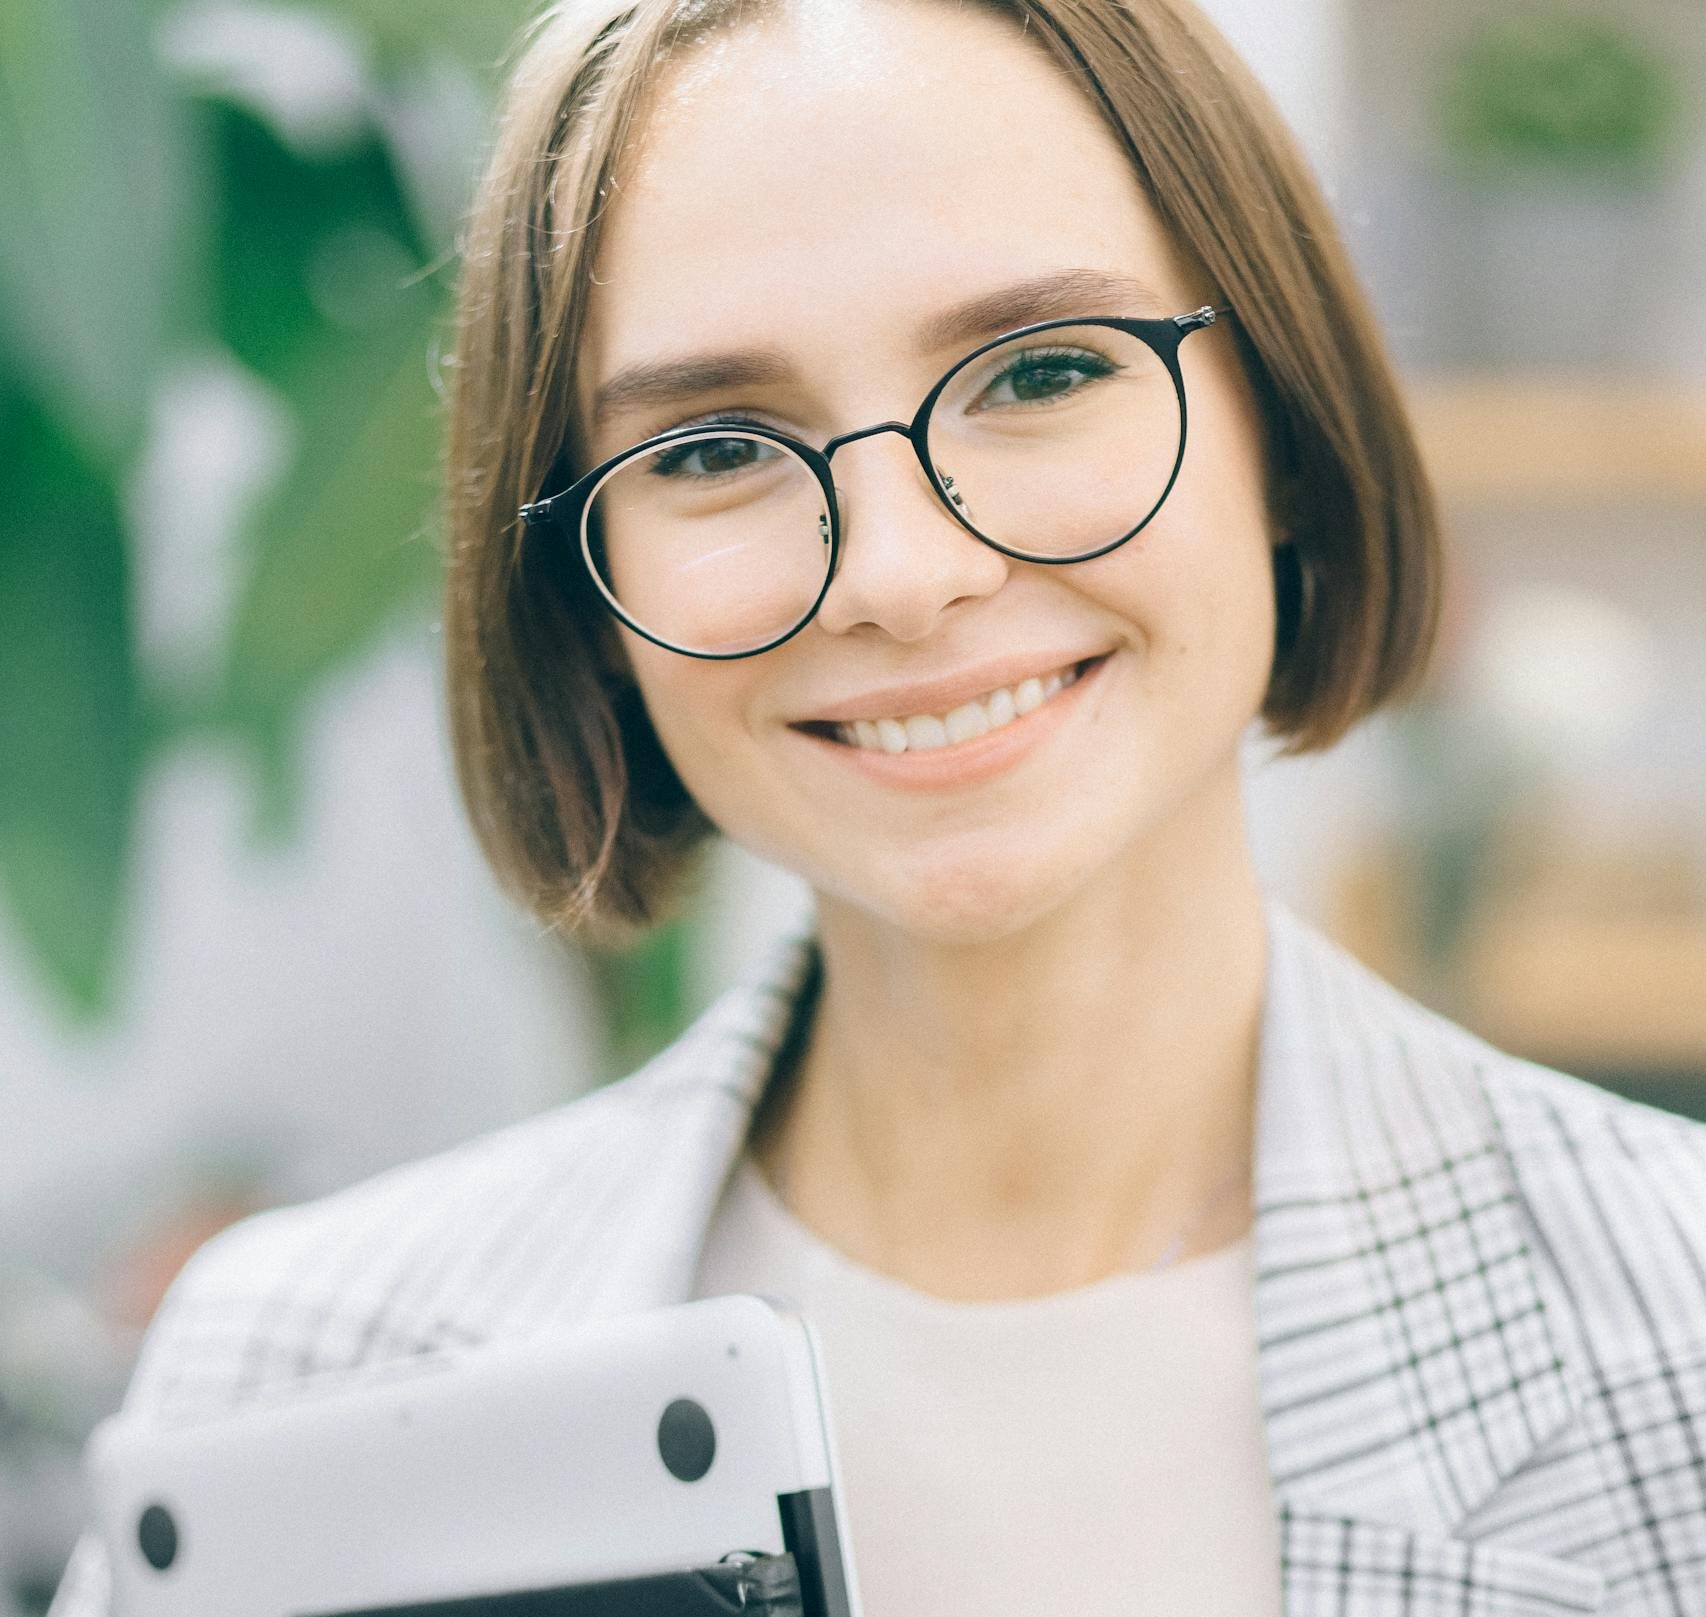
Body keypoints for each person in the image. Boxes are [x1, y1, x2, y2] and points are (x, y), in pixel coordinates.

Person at [50, 0, 1706, 1611]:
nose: (906, 576)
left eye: (1043, 369)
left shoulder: (1673, 1346)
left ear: (1277, 423)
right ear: (590, 599)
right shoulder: (292, 1390)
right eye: (711, 448)